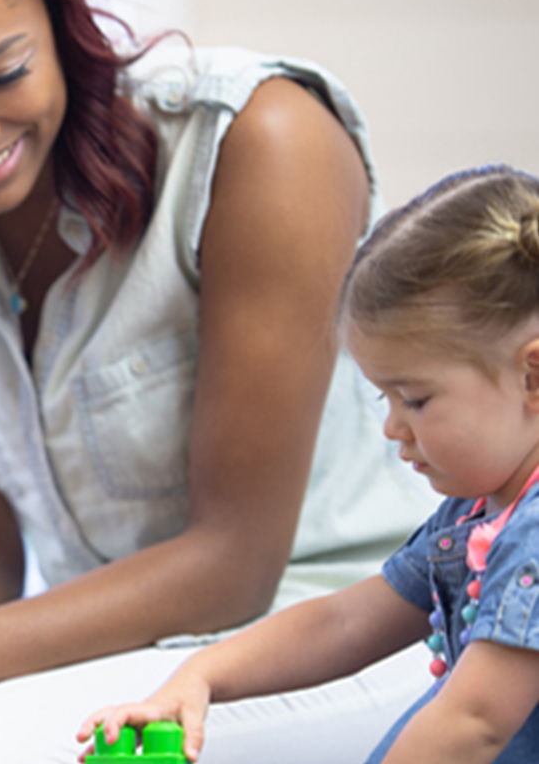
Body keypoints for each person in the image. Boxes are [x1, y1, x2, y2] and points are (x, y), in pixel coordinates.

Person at [0, 0, 437, 762]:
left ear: (58, 21)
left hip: (349, 635)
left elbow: (231, 566)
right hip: (115, 663)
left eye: (3, 76)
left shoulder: (259, 137)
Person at [79, 165, 539, 764]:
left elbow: (474, 721)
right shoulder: (478, 511)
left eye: (417, 399)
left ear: (533, 376)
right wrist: (202, 675)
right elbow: (346, 622)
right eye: (384, 398)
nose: (392, 427)